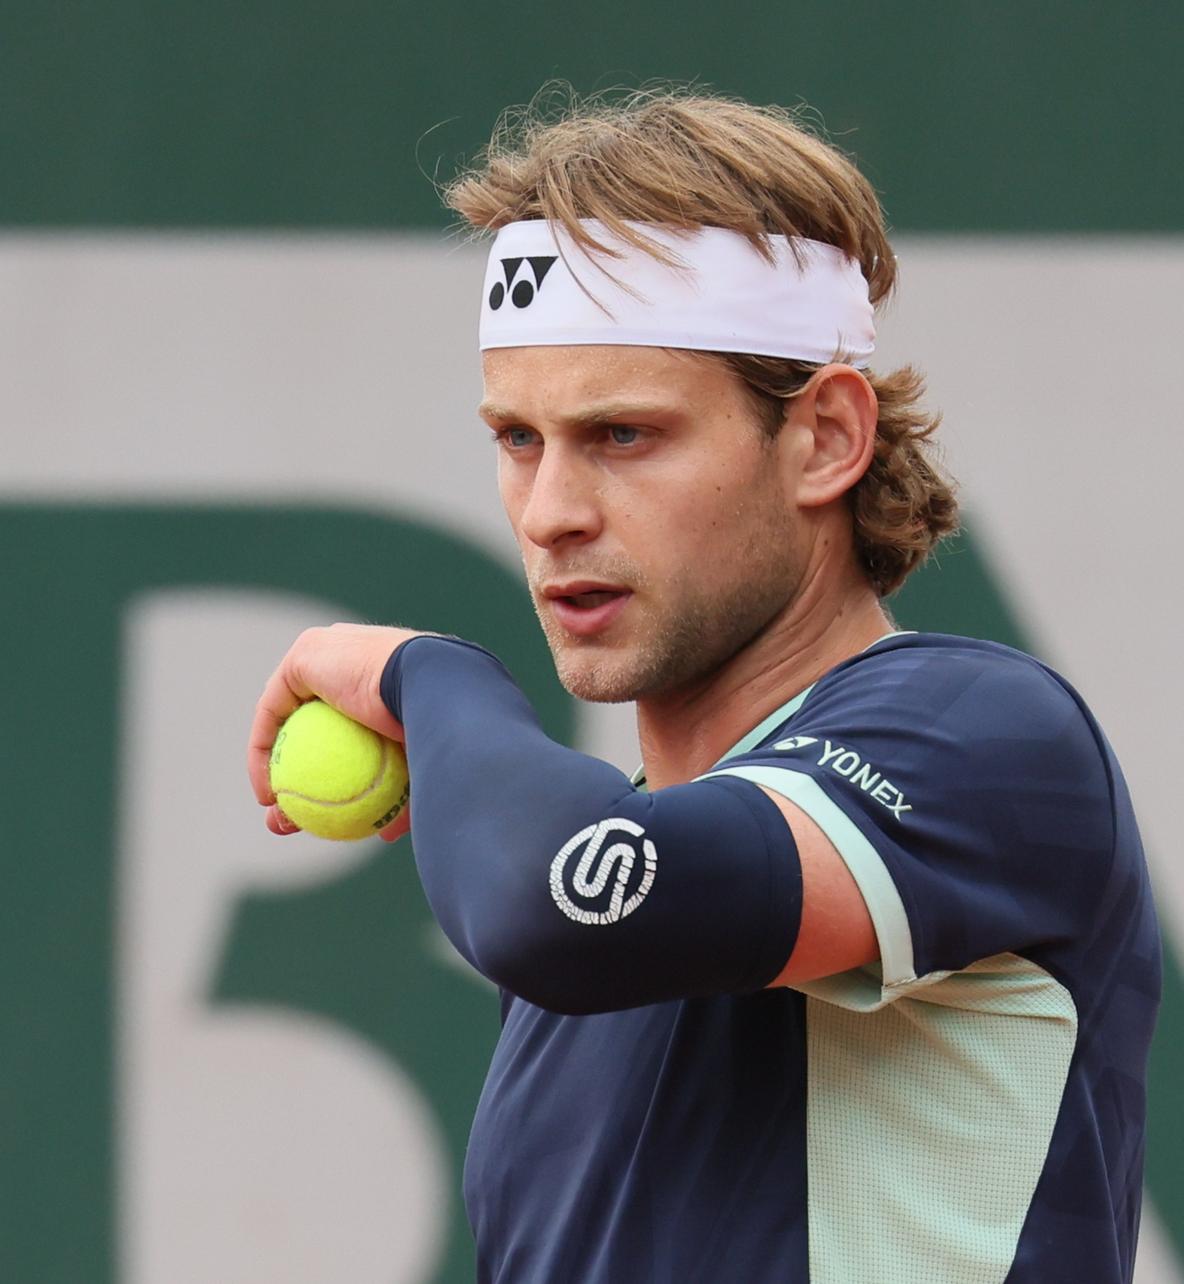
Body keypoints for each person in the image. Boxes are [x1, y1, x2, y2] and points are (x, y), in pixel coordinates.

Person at [248, 92, 1157, 1282]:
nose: (552, 514)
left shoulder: (985, 735)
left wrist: (431, 676)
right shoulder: (593, 941)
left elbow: (556, 904)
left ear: (828, 437)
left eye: (624, 436)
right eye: (519, 440)